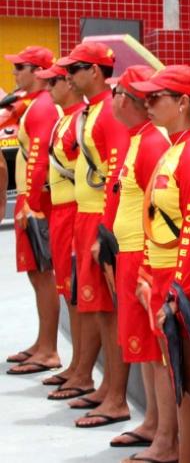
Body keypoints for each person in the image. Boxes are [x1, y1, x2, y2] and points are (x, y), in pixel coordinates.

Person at [135, 64, 190, 463]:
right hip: (169, 281)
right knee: (182, 382)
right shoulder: (174, 149)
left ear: (184, 102)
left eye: (157, 97)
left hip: (185, 287)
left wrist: (178, 291)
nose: (147, 104)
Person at [51, 43, 129, 417]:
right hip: (85, 216)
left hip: (98, 218)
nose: (69, 76)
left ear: (96, 71)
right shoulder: (92, 111)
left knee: (109, 311)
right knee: (96, 307)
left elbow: (115, 175)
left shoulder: (109, 113)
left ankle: (117, 397)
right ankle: (105, 387)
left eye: (76, 68)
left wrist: (105, 230)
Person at [99, 65, 171, 450]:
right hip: (129, 257)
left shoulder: (152, 143)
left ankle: (164, 435)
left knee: (157, 352)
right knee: (144, 347)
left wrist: (144, 266)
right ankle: (153, 424)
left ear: (125, 100)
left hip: (143, 260)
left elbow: (155, 211)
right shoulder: (138, 139)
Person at [3, 46, 61, 375]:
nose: (14, 73)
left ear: (38, 71)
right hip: (31, 198)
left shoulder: (41, 108)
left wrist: (32, 206)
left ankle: (49, 348)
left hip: (35, 200)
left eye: (20, 67)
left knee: (43, 274)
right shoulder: (32, 106)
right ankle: (42, 342)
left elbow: (39, 161)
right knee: (35, 274)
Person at [35, 62, 84, 388]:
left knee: (80, 297)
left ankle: (81, 370)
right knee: (69, 292)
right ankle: (77, 365)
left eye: (57, 79)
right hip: (61, 212)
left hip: (75, 211)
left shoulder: (80, 116)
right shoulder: (64, 117)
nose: (51, 85)